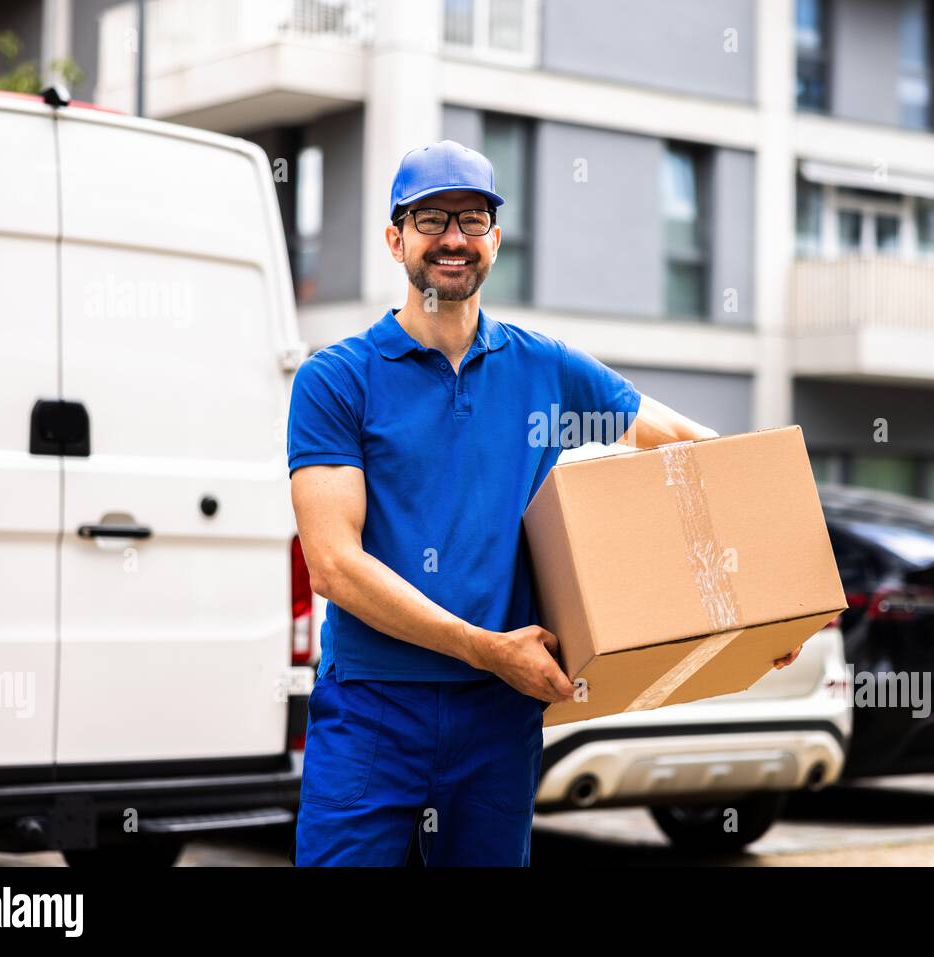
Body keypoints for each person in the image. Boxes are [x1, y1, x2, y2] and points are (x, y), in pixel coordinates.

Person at [287, 139, 803, 866]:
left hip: (497, 717)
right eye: (431, 219)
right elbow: (334, 566)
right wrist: (485, 648)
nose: (454, 239)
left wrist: (767, 603)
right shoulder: (337, 380)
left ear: (495, 239)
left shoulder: (543, 368)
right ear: (394, 237)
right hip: (375, 705)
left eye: (473, 218)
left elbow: (691, 446)